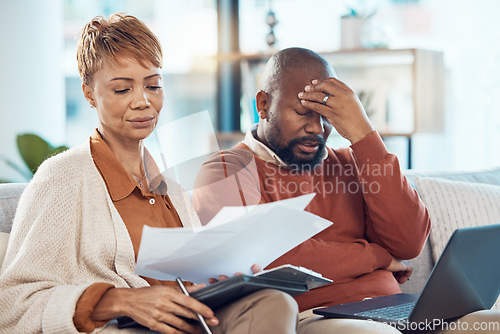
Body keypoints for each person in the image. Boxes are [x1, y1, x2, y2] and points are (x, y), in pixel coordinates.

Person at [0, 14, 298, 334]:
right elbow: (12, 305)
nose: (143, 102)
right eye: (121, 89)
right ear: (88, 93)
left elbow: (188, 283)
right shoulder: (61, 177)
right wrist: (121, 301)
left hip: (191, 322)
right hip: (124, 327)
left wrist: (219, 280)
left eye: (153, 85)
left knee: (275, 301)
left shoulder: (170, 189)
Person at [193, 47, 500, 333]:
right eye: (302, 112)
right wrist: (377, 257)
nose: (317, 128)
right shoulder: (226, 170)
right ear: (263, 104)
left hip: (397, 309)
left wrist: (363, 134)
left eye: (327, 115)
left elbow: (409, 243)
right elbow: (265, 260)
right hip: (318, 315)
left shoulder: (353, 162)